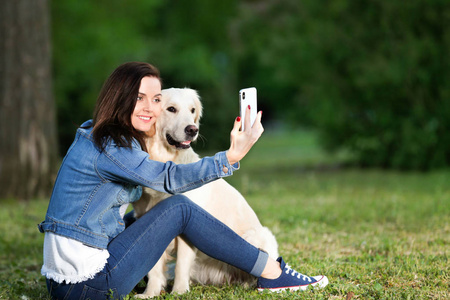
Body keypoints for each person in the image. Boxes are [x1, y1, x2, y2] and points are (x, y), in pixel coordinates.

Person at [38, 62, 328, 299]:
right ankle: (272, 273)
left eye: (155, 99)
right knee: (179, 207)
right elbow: (168, 178)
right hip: (89, 288)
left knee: (144, 215)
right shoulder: (113, 149)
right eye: (139, 98)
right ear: (118, 99)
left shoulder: (94, 135)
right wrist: (229, 157)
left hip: (63, 284)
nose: (150, 108)